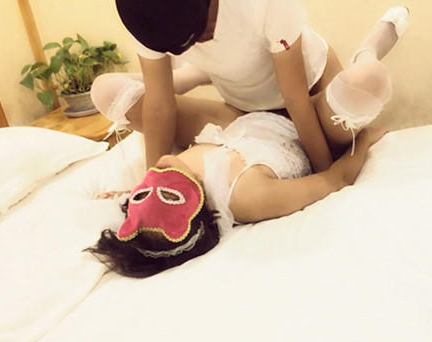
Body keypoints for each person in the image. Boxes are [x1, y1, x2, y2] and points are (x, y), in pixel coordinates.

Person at [92, 0, 409, 171]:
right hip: (246, 113)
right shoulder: (145, 13)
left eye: (203, 31)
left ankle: (367, 52)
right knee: (106, 91)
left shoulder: (263, 4)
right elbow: (160, 106)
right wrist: (151, 184)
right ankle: (196, 74)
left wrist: (325, 175)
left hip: (311, 96)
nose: (206, 40)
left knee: (368, 81)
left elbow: (295, 99)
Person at [87, 111, 388, 278]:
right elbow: (335, 180)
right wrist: (365, 140)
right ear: (194, 215)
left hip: (241, 111)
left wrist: (130, 193)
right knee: (354, 92)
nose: (156, 172)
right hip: (305, 121)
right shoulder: (247, 196)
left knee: (123, 97)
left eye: (139, 197)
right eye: (166, 195)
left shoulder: (179, 172)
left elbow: (158, 187)